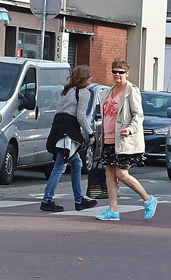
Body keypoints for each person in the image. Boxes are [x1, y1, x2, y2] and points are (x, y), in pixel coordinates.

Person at [95, 59, 156, 221]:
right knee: (109, 173)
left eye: (121, 72)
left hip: (123, 139)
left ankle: (148, 199)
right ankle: (113, 210)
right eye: (115, 71)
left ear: (127, 74)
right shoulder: (107, 91)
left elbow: (138, 115)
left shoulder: (131, 91)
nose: (117, 75)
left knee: (121, 173)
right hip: (108, 137)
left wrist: (130, 129)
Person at [40, 64, 97, 212]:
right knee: (60, 165)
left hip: (58, 127)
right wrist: (91, 134)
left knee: (76, 163)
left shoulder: (67, 90)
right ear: (84, 79)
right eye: (90, 75)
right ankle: (47, 200)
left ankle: (79, 199)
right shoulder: (84, 93)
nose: (92, 77)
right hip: (69, 131)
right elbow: (81, 116)